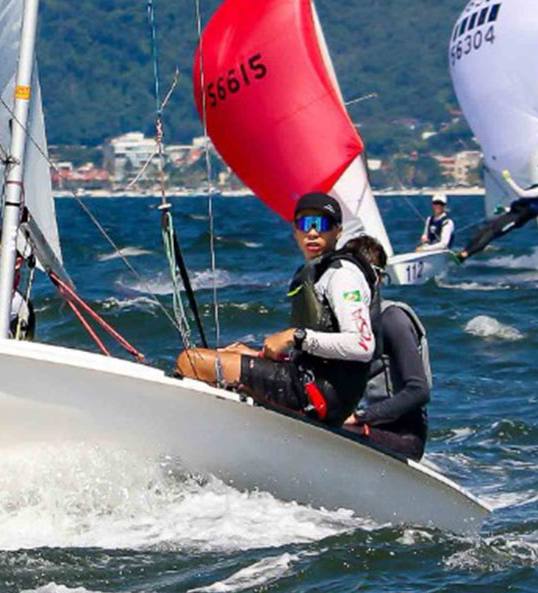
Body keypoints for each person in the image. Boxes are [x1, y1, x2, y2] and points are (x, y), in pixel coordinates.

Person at [174, 192, 378, 427]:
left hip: (320, 395)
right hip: (311, 382)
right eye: (304, 224)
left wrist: (296, 337)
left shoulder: (342, 276)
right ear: (295, 231)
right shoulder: (318, 271)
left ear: (338, 231)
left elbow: (363, 345)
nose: (312, 232)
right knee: (229, 357)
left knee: (191, 361)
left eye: (321, 224)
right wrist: (262, 356)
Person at [342, 236, 431, 460]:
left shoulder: (393, 319)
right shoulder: (347, 319)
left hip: (403, 436)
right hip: (362, 424)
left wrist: (361, 418)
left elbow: (419, 391)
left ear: (378, 278)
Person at [454, 166, 538, 262]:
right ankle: (463, 253)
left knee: (491, 234)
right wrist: (504, 209)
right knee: (485, 229)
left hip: (516, 219)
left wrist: (508, 179)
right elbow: (522, 205)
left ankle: (465, 255)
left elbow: (523, 194)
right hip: (511, 215)